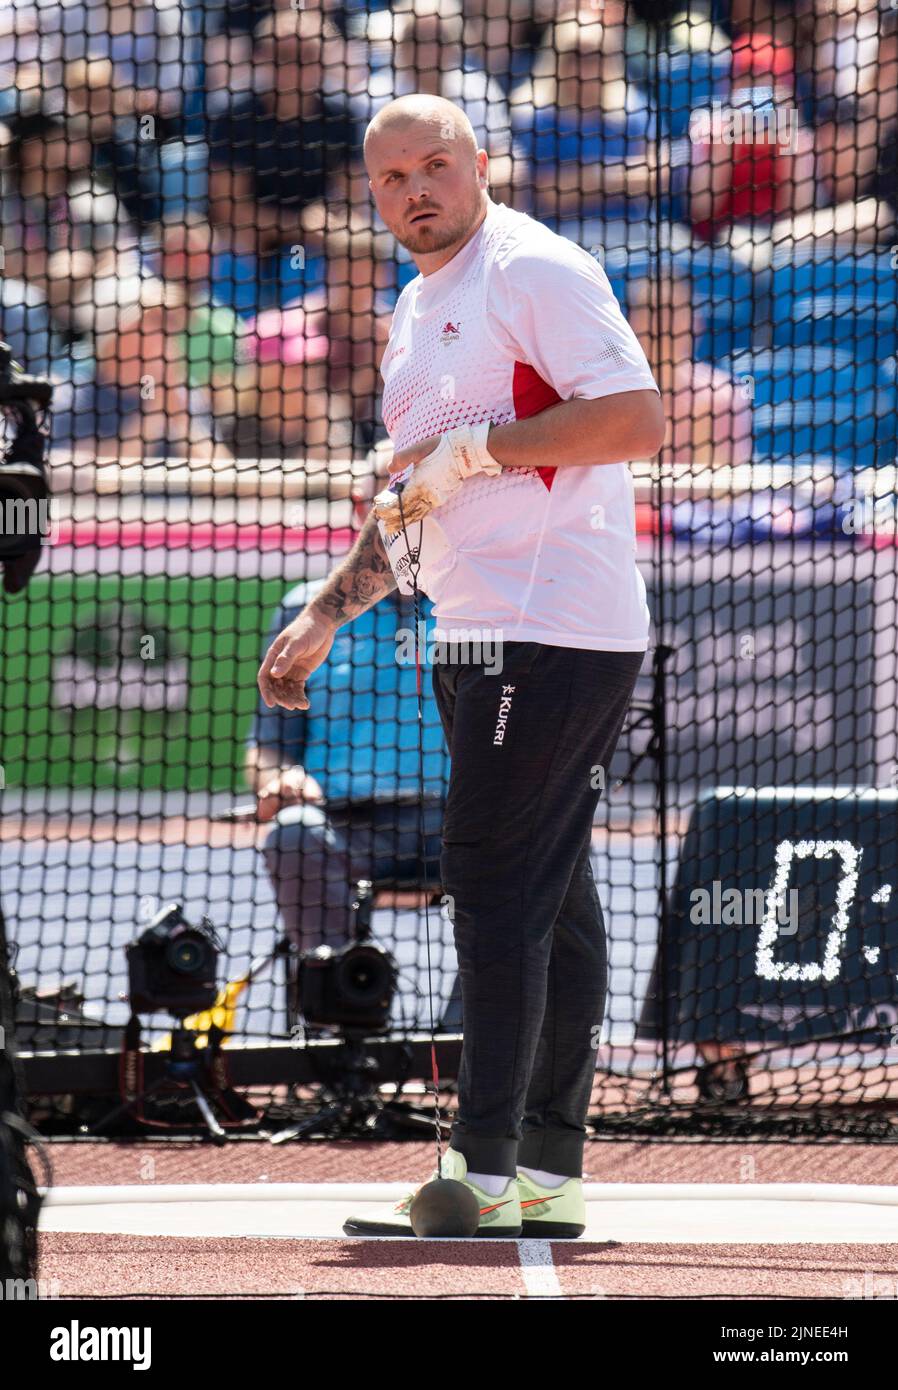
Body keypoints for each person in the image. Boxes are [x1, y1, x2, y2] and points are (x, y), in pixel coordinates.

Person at [257, 94, 665, 1239]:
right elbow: (419, 493)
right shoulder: (416, 303)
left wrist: (478, 447)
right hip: (483, 626)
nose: (414, 190)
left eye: (434, 165)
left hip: (550, 629)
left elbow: (634, 419)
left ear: (479, 164)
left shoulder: (531, 267)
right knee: (556, 903)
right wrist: (330, 614)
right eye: (391, 178)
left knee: (487, 883)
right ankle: (548, 1173)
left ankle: (477, 1169)